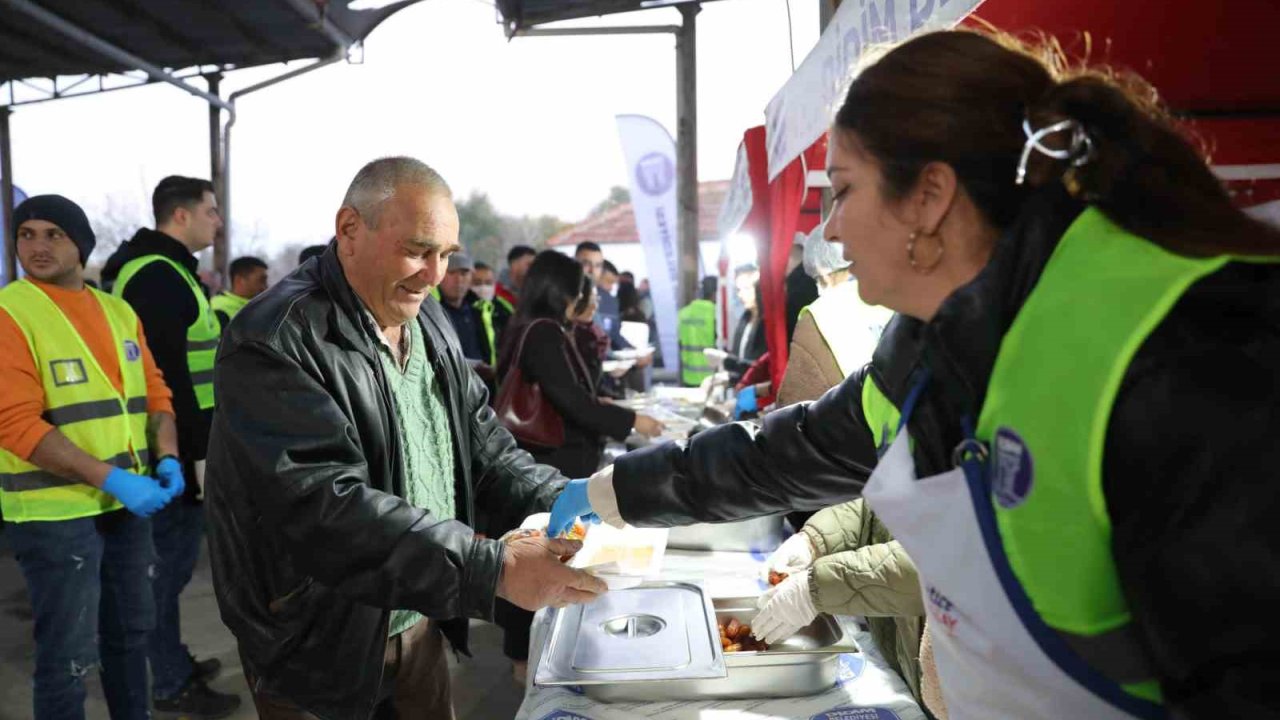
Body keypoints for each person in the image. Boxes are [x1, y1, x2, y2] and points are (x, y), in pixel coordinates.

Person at [548, 30, 1280, 719]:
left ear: (927, 197)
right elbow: (792, 451)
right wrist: (618, 491)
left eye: (842, 190)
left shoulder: (1186, 350)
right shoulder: (933, 345)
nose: (828, 230)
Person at [205, 157, 608, 719]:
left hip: (418, 612)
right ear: (349, 230)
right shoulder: (274, 338)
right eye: (419, 250)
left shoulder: (428, 320)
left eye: (446, 255)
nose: (434, 274)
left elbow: (486, 451)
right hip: (319, 632)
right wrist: (491, 567)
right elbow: (326, 505)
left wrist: (580, 500)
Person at [0, 195, 182, 720]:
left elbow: (155, 395)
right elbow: (14, 423)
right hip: (54, 513)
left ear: (81, 244)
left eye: (53, 234)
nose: (37, 245)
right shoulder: (11, 312)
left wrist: (166, 456)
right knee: (69, 657)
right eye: (26, 234)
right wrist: (117, 480)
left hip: (124, 508)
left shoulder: (118, 311)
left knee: (130, 635)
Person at [101, 176, 238, 717]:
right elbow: (167, 379)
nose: (218, 220)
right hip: (173, 451)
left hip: (180, 444)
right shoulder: (157, 276)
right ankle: (167, 681)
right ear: (180, 216)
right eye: (211, 210)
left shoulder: (164, 268)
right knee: (163, 571)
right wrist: (180, 456)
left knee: (168, 570)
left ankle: (169, 659)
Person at [496, 250, 664, 479]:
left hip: (544, 456)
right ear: (559, 291)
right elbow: (574, 401)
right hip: (553, 459)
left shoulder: (525, 324)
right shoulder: (543, 332)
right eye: (576, 291)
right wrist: (633, 420)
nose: (579, 299)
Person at [677, 276, 718, 386]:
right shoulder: (716, 314)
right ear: (715, 293)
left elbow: (680, 343)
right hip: (711, 379)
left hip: (687, 376)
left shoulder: (683, 313)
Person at [210, 256, 269, 328]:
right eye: (261, 280)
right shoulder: (219, 309)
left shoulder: (256, 305)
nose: (265, 287)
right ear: (239, 280)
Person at [496, 244, 535, 309]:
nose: (533, 268)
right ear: (514, 265)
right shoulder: (496, 292)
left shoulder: (536, 292)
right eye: (529, 264)